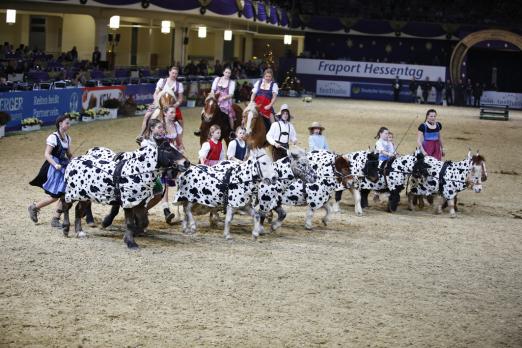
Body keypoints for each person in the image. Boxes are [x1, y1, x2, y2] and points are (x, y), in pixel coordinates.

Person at [28, 115, 94, 227]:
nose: (69, 125)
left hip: (64, 167)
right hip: (54, 168)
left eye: (69, 123)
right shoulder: (53, 137)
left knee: (64, 194)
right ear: (60, 124)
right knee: (54, 196)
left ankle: (55, 218)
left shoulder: (67, 138)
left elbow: (69, 154)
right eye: (67, 123)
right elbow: (47, 154)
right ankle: (34, 207)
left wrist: (76, 162)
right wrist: (55, 165)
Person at [138, 66, 184, 140]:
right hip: (159, 103)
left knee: (180, 121)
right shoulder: (162, 81)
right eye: (173, 73)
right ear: (169, 72)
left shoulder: (179, 85)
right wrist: (157, 103)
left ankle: (179, 139)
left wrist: (175, 105)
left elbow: (180, 98)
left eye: (176, 73)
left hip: (172, 105)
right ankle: (142, 134)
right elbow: (155, 93)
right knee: (147, 116)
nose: (174, 75)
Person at [211, 66, 236, 132]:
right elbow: (213, 89)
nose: (227, 74)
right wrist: (213, 96)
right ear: (223, 72)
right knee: (206, 109)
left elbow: (231, 94)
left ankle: (232, 130)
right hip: (215, 98)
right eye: (226, 72)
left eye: (229, 73)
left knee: (230, 115)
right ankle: (201, 128)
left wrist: (223, 98)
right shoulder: (217, 79)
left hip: (225, 101)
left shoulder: (232, 82)